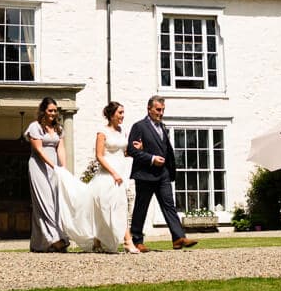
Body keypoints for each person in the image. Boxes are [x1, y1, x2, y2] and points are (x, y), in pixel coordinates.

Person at [58, 101, 142, 253]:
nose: (122, 116)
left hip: (121, 175)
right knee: (106, 209)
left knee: (119, 208)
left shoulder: (122, 131)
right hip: (107, 175)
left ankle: (100, 241)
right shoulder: (102, 132)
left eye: (123, 113)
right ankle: (127, 241)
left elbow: (123, 153)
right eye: (120, 113)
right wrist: (113, 173)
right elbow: (99, 156)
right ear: (111, 115)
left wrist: (136, 149)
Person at [126, 95, 197, 251]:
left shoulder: (163, 127)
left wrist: (170, 169)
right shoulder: (139, 126)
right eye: (158, 109)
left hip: (163, 174)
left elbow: (166, 149)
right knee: (141, 207)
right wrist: (151, 158)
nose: (161, 113)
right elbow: (131, 150)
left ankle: (178, 238)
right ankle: (137, 241)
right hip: (145, 175)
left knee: (169, 205)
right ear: (149, 109)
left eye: (163, 110)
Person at [25, 97, 69, 252]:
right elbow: (39, 150)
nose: (53, 113)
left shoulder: (59, 129)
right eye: (50, 110)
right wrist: (54, 166)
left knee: (56, 202)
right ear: (43, 111)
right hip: (39, 167)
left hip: (55, 169)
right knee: (45, 202)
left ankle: (40, 243)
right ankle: (54, 238)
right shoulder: (35, 127)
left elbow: (61, 149)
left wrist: (62, 168)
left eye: (55, 110)